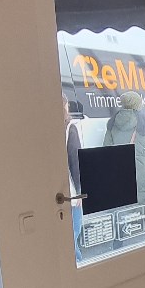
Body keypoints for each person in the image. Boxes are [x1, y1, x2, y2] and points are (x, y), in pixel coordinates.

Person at [103, 89, 145, 209]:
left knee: (125, 208)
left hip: (121, 172)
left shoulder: (112, 123)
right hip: (144, 173)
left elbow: (106, 152)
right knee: (143, 209)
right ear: (138, 105)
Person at [63, 93, 84, 262]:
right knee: (74, 231)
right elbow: (76, 162)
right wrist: (80, 192)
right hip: (70, 193)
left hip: (57, 193)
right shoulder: (70, 128)